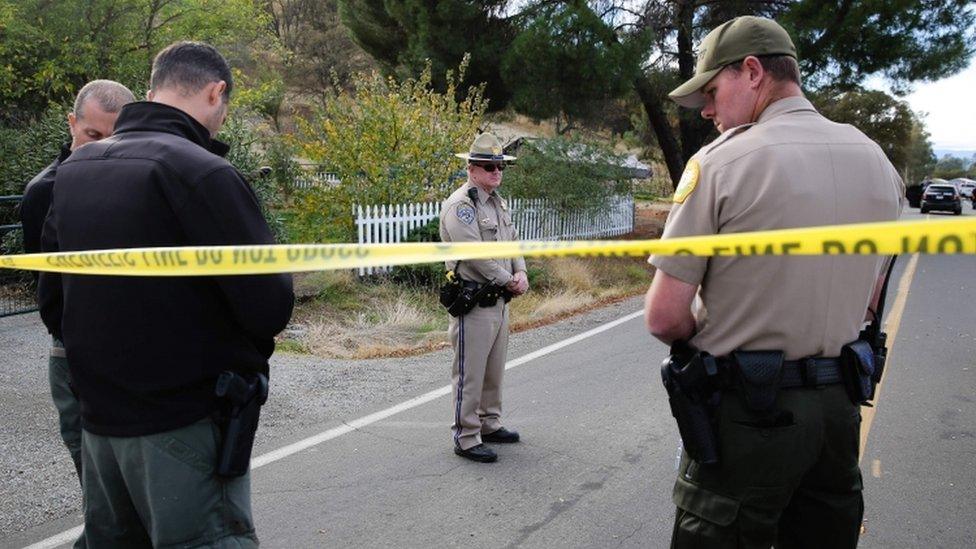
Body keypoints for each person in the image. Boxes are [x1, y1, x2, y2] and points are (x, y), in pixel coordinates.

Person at [643, 16, 904, 548]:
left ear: (754, 71)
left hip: (750, 417)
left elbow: (665, 316)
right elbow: (875, 300)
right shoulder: (876, 159)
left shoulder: (719, 164)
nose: (709, 110)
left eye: (712, 91)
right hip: (838, 413)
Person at [37, 42, 294, 547]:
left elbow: (53, 299)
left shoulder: (74, 171)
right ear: (216, 93)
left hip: (100, 423)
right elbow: (268, 304)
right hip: (182, 422)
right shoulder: (203, 172)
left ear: (153, 89)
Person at [19, 79, 135, 484]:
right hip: (73, 353)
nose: (100, 145)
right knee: (96, 481)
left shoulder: (139, 186)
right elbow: (46, 285)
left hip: (135, 350)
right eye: (92, 134)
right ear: (72, 123)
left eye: (112, 136)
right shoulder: (42, 192)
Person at [439, 133, 529, 463]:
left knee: (494, 370)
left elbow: (512, 242)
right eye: (489, 167)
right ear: (471, 168)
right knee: (470, 372)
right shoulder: (462, 206)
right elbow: (475, 256)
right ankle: (465, 436)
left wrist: (521, 272)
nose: (497, 172)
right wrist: (509, 280)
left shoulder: (496, 202)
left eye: (500, 166)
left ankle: (489, 424)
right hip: (474, 301)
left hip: (500, 301)